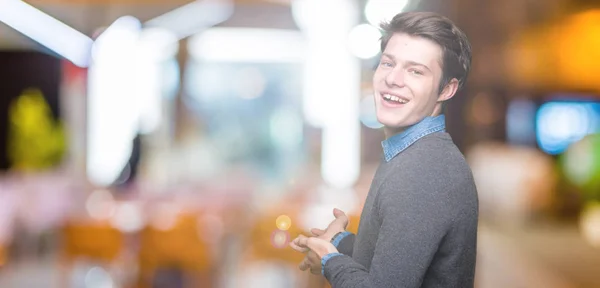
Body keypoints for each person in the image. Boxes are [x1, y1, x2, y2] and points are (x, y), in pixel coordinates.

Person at [290, 11, 478, 288]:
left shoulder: (424, 172)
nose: (393, 79)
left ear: (446, 90)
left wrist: (331, 261)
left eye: (416, 71)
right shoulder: (412, 153)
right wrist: (340, 244)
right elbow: (397, 263)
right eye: (388, 63)